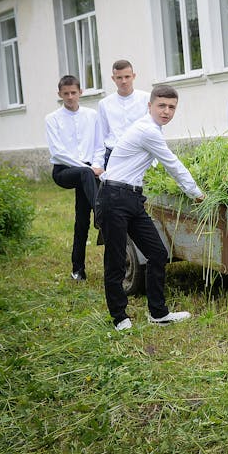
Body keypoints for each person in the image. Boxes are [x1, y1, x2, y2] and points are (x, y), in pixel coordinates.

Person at [96, 85, 204, 332]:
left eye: (171, 107)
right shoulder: (148, 131)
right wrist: (196, 193)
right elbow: (172, 164)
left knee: (157, 253)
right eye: (161, 106)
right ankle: (120, 317)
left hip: (132, 198)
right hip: (115, 198)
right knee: (114, 261)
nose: (166, 111)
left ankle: (158, 313)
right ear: (150, 106)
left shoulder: (150, 129)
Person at [45, 75, 104, 281]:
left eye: (73, 93)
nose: (70, 97)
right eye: (65, 94)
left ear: (80, 92)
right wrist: (89, 169)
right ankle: (101, 213)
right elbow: (58, 152)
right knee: (85, 173)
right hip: (64, 171)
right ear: (59, 94)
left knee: (81, 220)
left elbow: (99, 145)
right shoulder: (52, 118)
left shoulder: (92, 115)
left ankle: (77, 270)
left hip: (88, 172)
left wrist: (96, 166)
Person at [97, 59, 150, 169]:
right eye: (119, 78)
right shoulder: (104, 104)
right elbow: (101, 135)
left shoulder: (147, 99)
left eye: (127, 77)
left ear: (133, 76)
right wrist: (98, 163)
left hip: (139, 153)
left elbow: (151, 129)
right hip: (113, 154)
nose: (124, 81)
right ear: (113, 79)